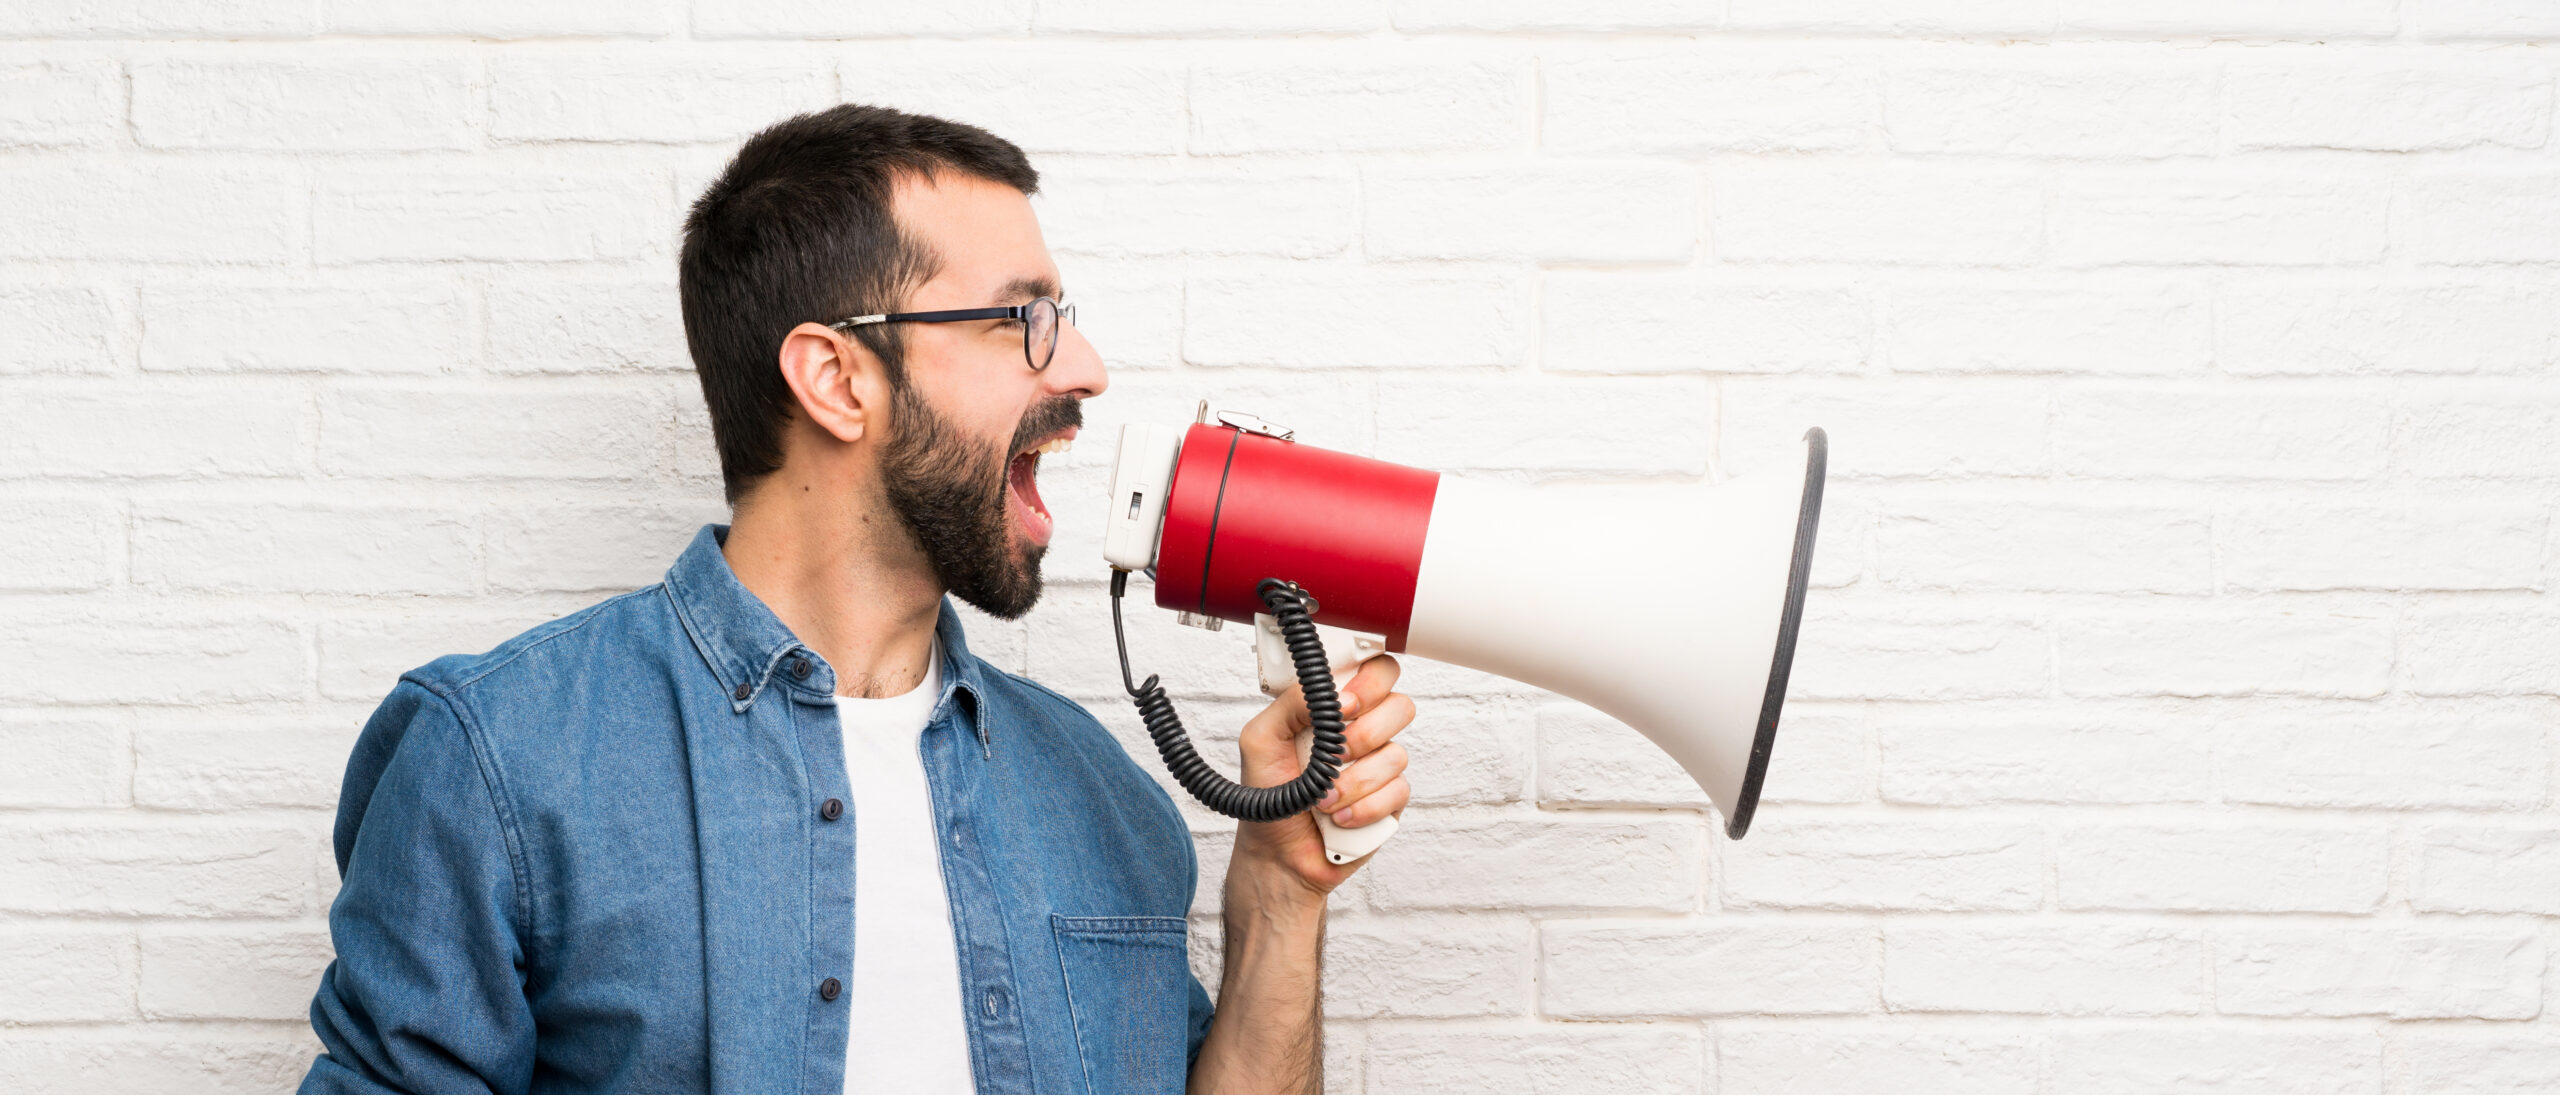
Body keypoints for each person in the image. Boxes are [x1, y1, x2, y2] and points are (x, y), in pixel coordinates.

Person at [298, 104, 1416, 1095]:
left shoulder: (1098, 792)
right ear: (837, 380)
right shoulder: (500, 759)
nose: (1084, 367)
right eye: (1022, 318)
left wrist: (1279, 891)